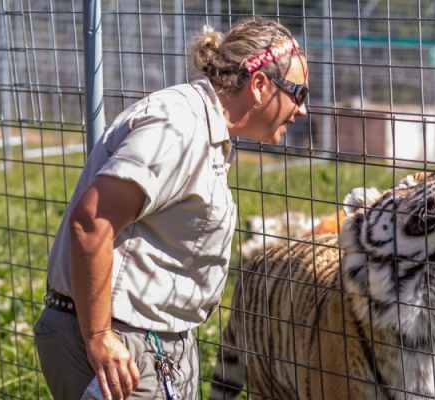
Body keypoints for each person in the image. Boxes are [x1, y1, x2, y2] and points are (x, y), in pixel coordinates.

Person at [33, 17, 308, 400]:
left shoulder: (204, 129)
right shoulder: (178, 127)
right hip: (120, 350)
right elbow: (92, 223)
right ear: (260, 85)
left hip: (143, 345)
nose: (302, 110)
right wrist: (99, 338)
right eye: (298, 93)